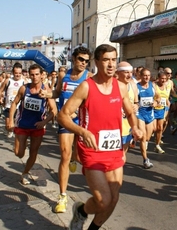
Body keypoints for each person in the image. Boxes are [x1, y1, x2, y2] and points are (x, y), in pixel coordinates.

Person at [57, 44, 143, 230]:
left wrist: (135, 127)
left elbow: (129, 112)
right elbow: (63, 115)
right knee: (103, 200)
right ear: (96, 62)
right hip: (92, 150)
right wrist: (82, 131)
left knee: (113, 198)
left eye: (114, 60)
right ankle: (81, 211)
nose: (111, 65)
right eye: (106, 60)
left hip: (114, 149)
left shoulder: (121, 87)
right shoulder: (86, 87)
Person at [39, 46, 92, 213]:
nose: (84, 63)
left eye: (86, 61)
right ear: (74, 59)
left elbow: (91, 100)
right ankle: (62, 196)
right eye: (81, 59)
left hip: (81, 121)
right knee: (64, 154)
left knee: (77, 155)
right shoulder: (63, 75)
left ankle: (74, 159)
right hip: (65, 119)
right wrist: (47, 95)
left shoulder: (89, 77)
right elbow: (57, 92)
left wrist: (80, 107)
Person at [8, 64, 58, 185]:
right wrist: (10, 120)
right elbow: (14, 103)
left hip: (37, 126)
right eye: (32, 74)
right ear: (29, 75)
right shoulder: (24, 88)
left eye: (37, 74)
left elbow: (54, 110)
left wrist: (44, 122)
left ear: (41, 75)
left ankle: (25, 173)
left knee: (33, 152)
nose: (34, 77)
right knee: (19, 153)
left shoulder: (46, 90)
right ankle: (23, 144)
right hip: (22, 124)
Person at [116, 61, 139, 160]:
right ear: (117, 73)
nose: (129, 75)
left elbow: (137, 102)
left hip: (127, 124)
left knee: (123, 155)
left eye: (131, 72)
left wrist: (136, 106)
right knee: (115, 156)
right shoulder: (112, 85)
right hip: (114, 126)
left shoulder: (132, 84)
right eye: (126, 72)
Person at [0, 62, 25, 138]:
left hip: (19, 106)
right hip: (8, 105)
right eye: (16, 73)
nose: (18, 75)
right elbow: (0, 91)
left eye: (19, 73)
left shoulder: (24, 81)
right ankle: (9, 130)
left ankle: (17, 136)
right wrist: (0, 98)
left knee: (18, 124)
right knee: (8, 124)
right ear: (13, 72)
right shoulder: (8, 81)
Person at [136, 68, 156, 167]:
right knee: (143, 137)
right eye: (145, 75)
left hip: (150, 114)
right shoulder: (136, 87)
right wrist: (136, 104)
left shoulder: (152, 85)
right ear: (140, 76)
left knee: (147, 137)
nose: (147, 77)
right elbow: (133, 101)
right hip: (140, 114)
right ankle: (145, 159)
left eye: (148, 75)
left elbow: (158, 97)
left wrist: (155, 102)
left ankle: (136, 138)